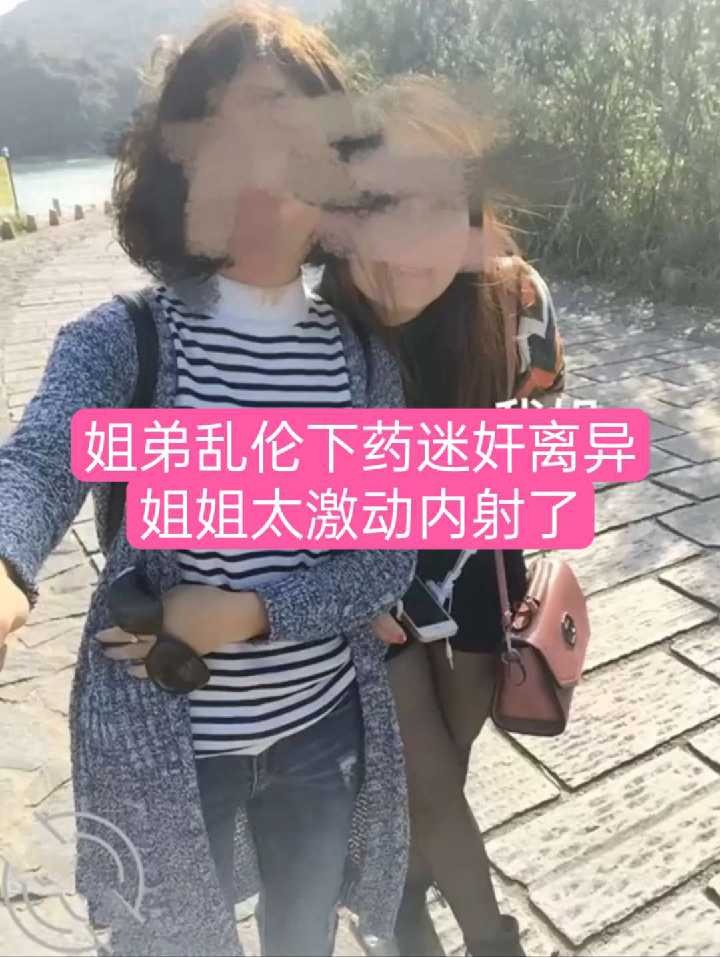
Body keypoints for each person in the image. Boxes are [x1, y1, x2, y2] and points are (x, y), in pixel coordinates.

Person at [0, 7, 415, 955]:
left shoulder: (362, 362)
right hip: (169, 746)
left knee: (304, 936)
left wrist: (246, 612)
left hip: (322, 728)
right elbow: (39, 459)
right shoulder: (128, 340)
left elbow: (383, 559)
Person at [316, 77, 565, 957]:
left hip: (475, 566)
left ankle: (398, 893)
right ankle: (485, 936)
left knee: (442, 766)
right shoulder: (325, 317)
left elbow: (542, 426)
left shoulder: (514, 294)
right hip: (373, 577)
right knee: (423, 765)